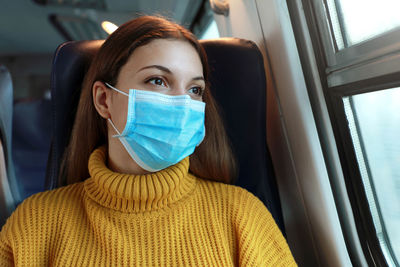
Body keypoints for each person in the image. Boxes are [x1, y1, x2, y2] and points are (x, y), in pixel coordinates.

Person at [0, 16, 297, 266]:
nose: (182, 104)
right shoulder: (33, 224)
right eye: (158, 80)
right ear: (104, 100)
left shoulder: (242, 216)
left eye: (195, 90)